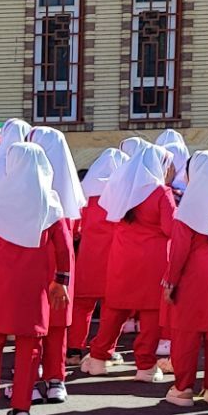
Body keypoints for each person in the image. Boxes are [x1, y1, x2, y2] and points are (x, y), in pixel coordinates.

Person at [0, 142, 72, 415]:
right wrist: (60, 279)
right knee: (30, 344)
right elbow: (63, 247)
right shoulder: (50, 200)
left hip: (1, 276)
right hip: (35, 280)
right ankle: (22, 409)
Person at [84, 142, 175, 381]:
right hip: (153, 260)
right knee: (151, 315)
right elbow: (171, 228)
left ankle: (98, 358)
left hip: (122, 256)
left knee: (115, 310)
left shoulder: (122, 186)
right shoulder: (160, 193)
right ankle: (145, 366)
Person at [160, 152, 208, 407]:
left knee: (186, 335)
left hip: (192, 276)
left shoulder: (188, 209)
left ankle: (183, 388)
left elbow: (179, 252)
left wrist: (170, 282)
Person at [29, 127, 86, 403]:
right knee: (57, 322)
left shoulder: (31, 182)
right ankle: (56, 379)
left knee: (32, 322)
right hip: (62, 261)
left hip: (36, 256)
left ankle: (29, 378)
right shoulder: (67, 188)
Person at [66, 148, 127, 370]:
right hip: (115, 255)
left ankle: (73, 349)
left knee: (83, 304)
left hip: (89, 254)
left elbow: (75, 226)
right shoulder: (122, 193)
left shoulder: (86, 194)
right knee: (112, 306)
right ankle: (103, 350)